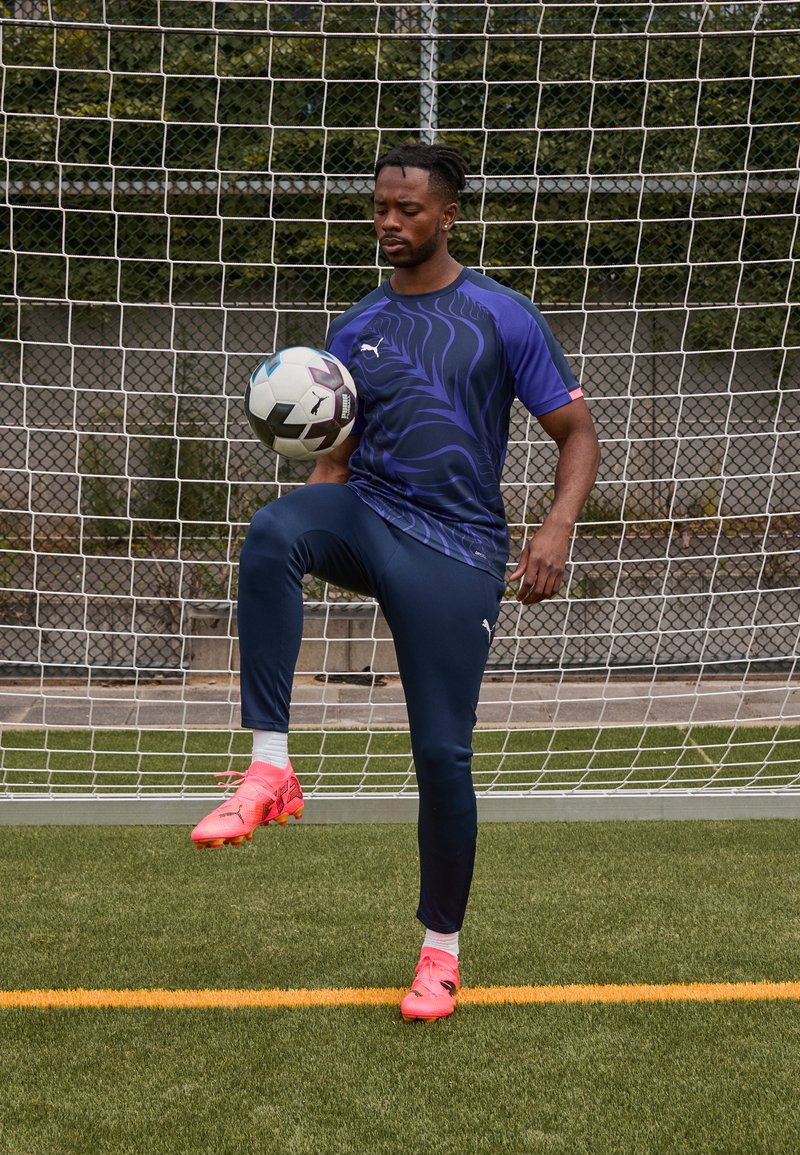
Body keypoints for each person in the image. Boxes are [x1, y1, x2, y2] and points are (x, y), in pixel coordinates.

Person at [191, 142, 600, 1022]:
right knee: (271, 530)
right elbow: (335, 460)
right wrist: (308, 530)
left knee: (442, 755)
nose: (388, 221)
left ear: (447, 215)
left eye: (407, 209)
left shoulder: (502, 316)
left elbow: (577, 432)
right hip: (371, 514)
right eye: (379, 206)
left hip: (458, 550)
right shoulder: (354, 329)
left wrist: (555, 527)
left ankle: (440, 954)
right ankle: (269, 768)